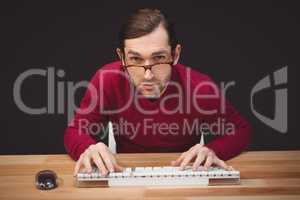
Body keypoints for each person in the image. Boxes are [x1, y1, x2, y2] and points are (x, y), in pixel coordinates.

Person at [64, 8, 252, 176]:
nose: (147, 76)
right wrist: (87, 147)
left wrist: (213, 150)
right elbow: (74, 132)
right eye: (135, 59)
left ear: (175, 55)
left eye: (159, 58)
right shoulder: (107, 79)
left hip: (184, 175)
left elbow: (241, 131)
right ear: (121, 58)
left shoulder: (199, 87)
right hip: (126, 175)